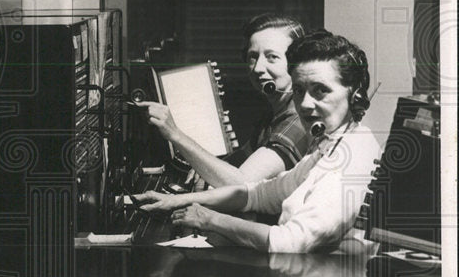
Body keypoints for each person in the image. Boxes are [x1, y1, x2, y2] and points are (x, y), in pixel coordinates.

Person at [135, 32, 381, 253]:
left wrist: (209, 219)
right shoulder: (330, 143)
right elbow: (259, 193)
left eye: (320, 90)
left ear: (355, 94)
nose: (305, 104)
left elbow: (290, 242)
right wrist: (178, 200)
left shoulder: (350, 157)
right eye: (299, 90)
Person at [138, 14, 312, 187]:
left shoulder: (298, 119)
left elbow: (241, 182)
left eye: (272, 57)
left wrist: (174, 133)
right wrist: (205, 167)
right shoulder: (273, 113)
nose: (258, 68)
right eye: (253, 57)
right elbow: (237, 162)